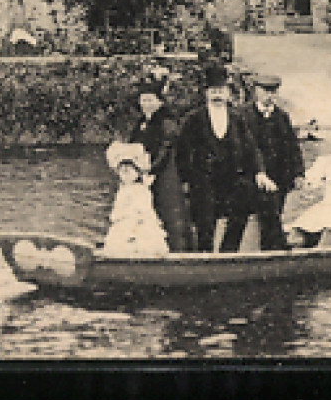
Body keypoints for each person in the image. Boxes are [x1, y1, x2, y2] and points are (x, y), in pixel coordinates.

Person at [176, 64, 273, 252]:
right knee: (205, 221)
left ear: (228, 93)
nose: (217, 95)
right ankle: (205, 258)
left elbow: (252, 148)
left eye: (221, 91)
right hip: (203, 181)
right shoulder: (193, 119)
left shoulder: (237, 118)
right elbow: (182, 152)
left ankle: (229, 252)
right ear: (206, 94)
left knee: (245, 202)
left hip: (231, 178)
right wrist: (186, 180)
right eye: (213, 91)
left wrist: (260, 172)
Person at [126, 76, 194, 252]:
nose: (146, 104)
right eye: (143, 100)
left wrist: (150, 169)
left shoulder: (167, 122)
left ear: (159, 102)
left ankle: (179, 253)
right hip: (145, 174)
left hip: (166, 173)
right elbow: (133, 147)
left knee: (169, 214)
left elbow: (166, 148)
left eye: (150, 100)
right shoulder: (141, 123)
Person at [244, 74, 305, 251]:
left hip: (279, 177)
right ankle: (273, 248)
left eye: (273, 92)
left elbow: (293, 147)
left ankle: (270, 252)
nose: (270, 96)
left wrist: (299, 173)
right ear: (256, 91)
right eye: (265, 91)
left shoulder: (281, 117)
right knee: (263, 213)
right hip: (252, 176)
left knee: (274, 212)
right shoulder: (243, 115)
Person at [100, 141, 169, 257]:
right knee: (119, 240)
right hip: (124, 222)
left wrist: (135, 224)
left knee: (142, 241)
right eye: (122, 171)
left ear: (138, 173)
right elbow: (118, 208)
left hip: (138, 222)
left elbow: (143, 209)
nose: (125, 174)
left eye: (130, 171)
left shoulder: (141, 190)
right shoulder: (122, 190)